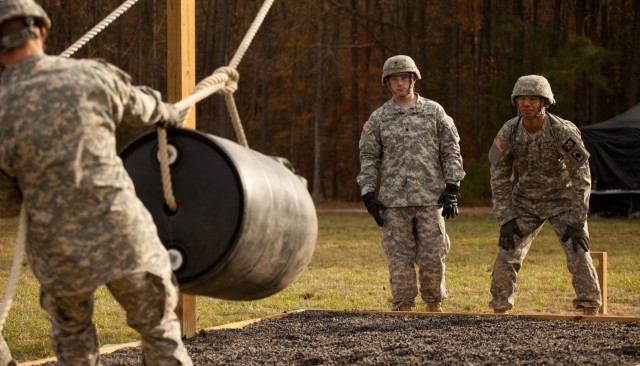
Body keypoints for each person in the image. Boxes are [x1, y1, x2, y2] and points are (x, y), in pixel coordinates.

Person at [0, 0, 193, 364]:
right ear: (41, 29)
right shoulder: (91, 76)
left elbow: (8, 203)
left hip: (59, 257)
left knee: (73, 342)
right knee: (160, 332)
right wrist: (170, 112)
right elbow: (146, 109)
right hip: (123, 238)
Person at [357, 55, 465, 313]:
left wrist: (453, 187)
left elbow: (451, 149)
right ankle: (403, 307)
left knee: (433, 255)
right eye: (394, 79)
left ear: (413, 80)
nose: (399, 83)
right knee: (399, 258)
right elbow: (369, 157)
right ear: (388, 83)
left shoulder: (434, 112)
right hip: (393, 201)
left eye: (404, 78)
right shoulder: (380, 118)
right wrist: (368, 192)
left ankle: (433, 305)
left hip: (430, 198)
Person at [488, 75, 602, 315]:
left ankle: (589, 306)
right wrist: (506, 218)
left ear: (544, 103)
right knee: (507, 253)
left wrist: (577, 221)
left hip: (562, 201)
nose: (526, 104)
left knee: (578, 251)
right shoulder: (509, 131)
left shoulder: (562, 131)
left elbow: (582, 176)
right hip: (525, 202)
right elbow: (499, 176)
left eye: (532, 99)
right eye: (521, 99)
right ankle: (500, 309)